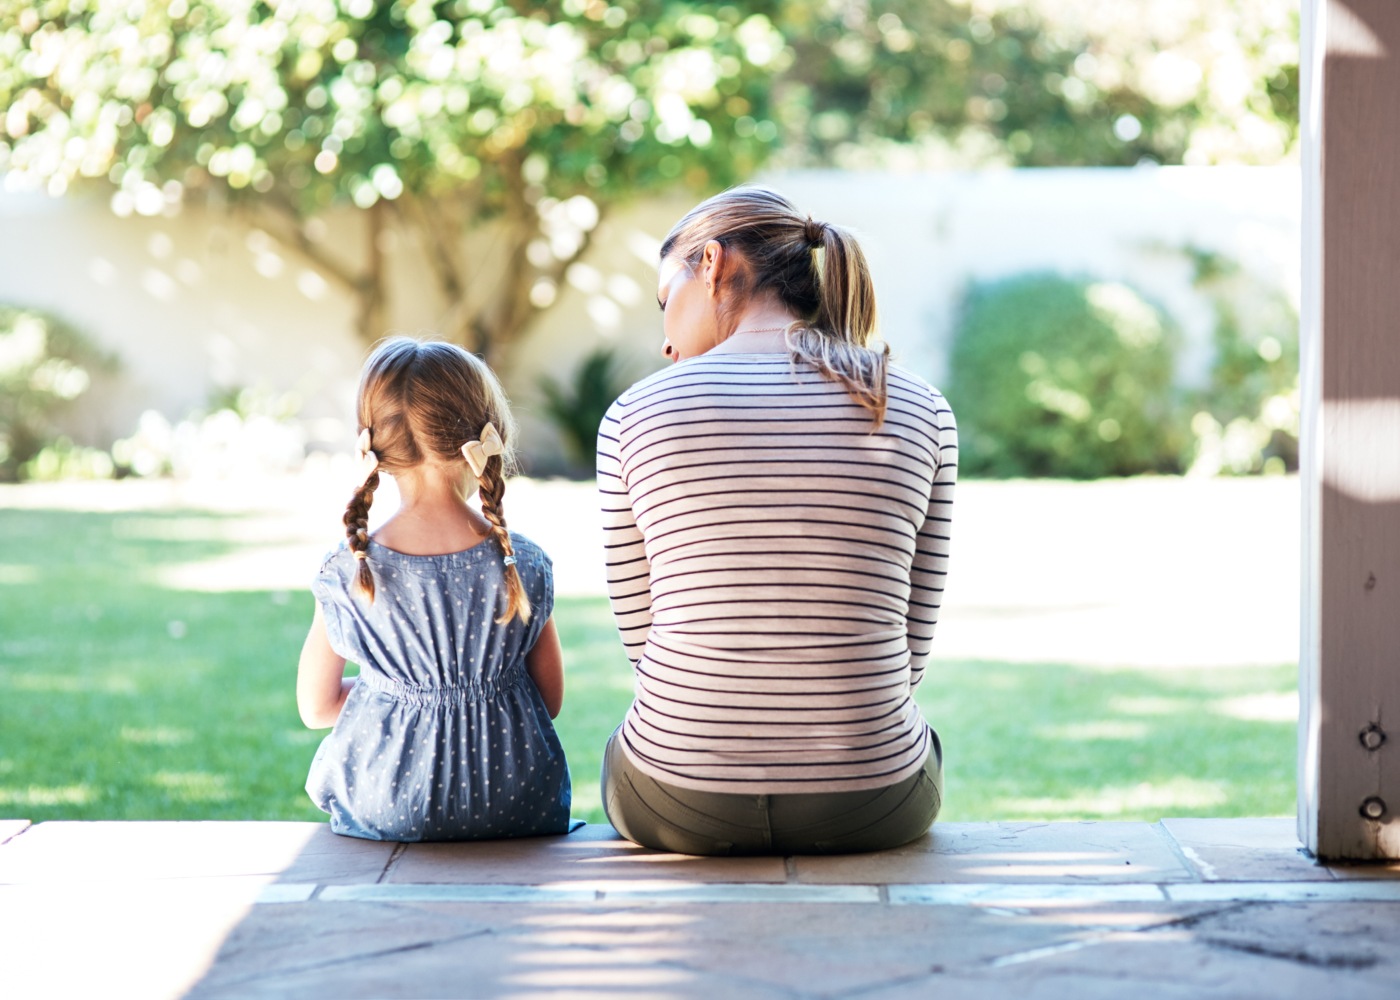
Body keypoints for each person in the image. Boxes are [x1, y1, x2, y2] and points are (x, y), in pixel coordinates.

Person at [597, 186, 957, 856]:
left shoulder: (634, 414)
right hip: (872, 800)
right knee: (920, 741)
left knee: (630, 748)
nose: (665, 340)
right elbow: (911, 645)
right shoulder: (917, 406)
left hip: (678, 800)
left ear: (710, 264)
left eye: (663, 301)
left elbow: (643, 644)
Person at [297, 336, 573, 842]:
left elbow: (316, 708)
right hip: (515, 803)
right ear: (486, 436)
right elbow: (549, 699)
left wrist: (397, 690)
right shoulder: (524, 562)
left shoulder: (349, 569)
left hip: (388, 804)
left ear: (373, 447)